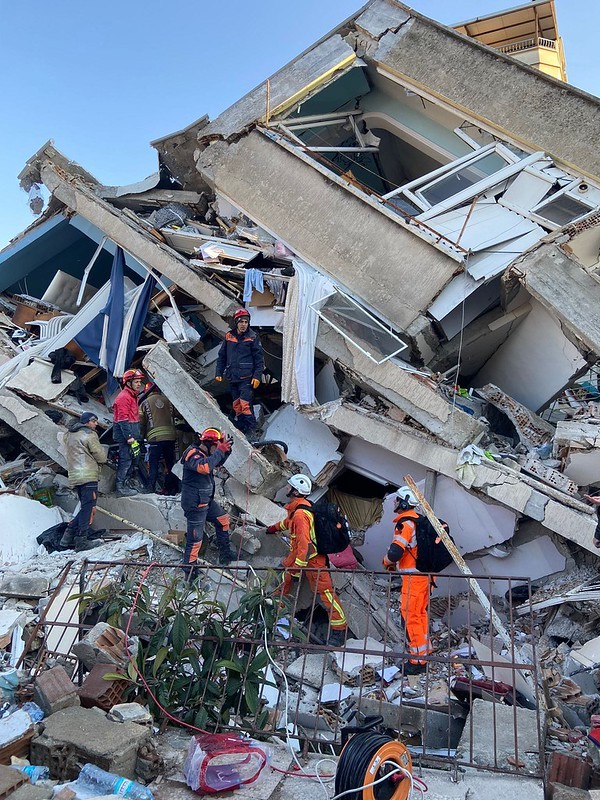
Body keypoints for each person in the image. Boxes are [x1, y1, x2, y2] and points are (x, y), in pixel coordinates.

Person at [266, 473, 348, 647]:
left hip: (311, 560)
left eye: (290, 487)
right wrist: (272, 529)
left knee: (326, 594)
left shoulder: (300, 515)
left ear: (295, 491)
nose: (287, 488)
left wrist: (296, 570)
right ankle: (273, 617)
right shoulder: (299, 509)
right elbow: (287, 524)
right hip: (301, 558)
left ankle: (339, 630)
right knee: (281, 585)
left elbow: (305, 545)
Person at [382, 486, 432, 675]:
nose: (394, 502)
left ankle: (416, 660)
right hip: (425, 576)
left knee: (411, 617)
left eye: (397, 499)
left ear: (404, 502)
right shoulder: (420, 522)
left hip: (414, 579)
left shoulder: (405, 523)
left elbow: (395, 552)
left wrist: (386, 562)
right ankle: (424, 653)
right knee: (420, 615)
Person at [180, 428, 237, 571]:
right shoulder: (192, 453)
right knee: (195, 541)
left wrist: (226, 450)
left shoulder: (207, 453)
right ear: (207, 444)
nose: (217, 449)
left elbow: (216, 462)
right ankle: (190, 572)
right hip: (195, 504)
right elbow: (204, 467)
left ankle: (225, 555)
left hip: (206, 501)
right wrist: (220, 450)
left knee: (223, 519)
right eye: (216, 446)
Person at [60, 412, 106, 551]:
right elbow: (100, 456)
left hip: (75, 475)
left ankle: (66, 538)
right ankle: (81, 541)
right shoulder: (89, 434)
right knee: (88, 507)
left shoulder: (68, 435)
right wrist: (104, 458)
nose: (96, 424)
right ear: (86, 421)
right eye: (93, 421)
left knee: (85, 506)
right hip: (88, 475)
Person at [215, 309, 264, 436]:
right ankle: (243, 428)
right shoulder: (229, 336)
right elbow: (222, 357)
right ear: (236, 322)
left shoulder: (252, 337)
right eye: (241, 322)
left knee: (245, 404)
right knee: (237, 406)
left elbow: (259, 360)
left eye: (246, 322)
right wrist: (218, 373)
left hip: (246, 378)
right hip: (233, 377)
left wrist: (257, 376)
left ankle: (252, 429)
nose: (243, 324)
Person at [139, 384, 179, 494]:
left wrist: (141, 439)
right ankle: (172, 488)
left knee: (153, 464)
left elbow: (141, 423)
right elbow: (178, 414)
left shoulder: (145, 403)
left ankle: (150, 487)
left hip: (155, 439)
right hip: (171, 437)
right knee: (170, 463)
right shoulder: (168, 401)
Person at [113, 369, 144, 497]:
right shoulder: (124, 397)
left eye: (139, 382)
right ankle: (120, 486)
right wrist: (129, 437)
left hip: (132, 431)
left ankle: (128, 482)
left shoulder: (132, 396)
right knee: (125, 460)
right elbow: (123, 419)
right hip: (127, 435)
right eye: (136, 382)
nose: (139, 384)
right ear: (128, 382)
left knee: (133, 458)